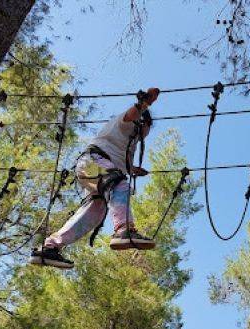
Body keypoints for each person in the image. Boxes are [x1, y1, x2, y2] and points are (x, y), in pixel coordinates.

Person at [29, 88, 161, 269]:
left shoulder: (129, 142)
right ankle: (124, 230)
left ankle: (49, 248)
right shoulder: (126, 123)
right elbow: (131, 114)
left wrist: (133, 169)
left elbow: (120, 160)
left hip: (97, 171)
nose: (146, 132)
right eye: (147, 127)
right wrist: (145, 104)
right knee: (120, 185)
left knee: (95, 213)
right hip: (93, 161)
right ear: (142, 121)